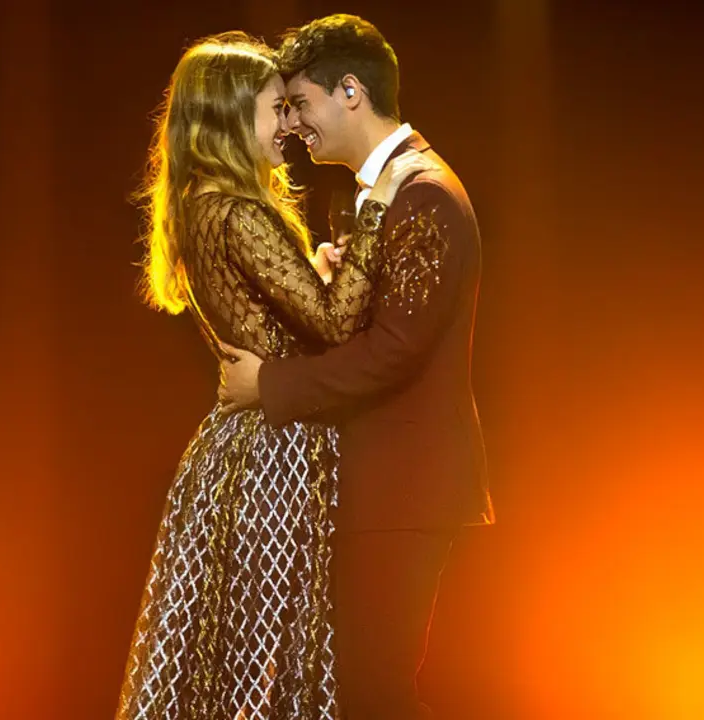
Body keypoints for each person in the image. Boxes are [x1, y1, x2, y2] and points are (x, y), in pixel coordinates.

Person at [115, 31, 429, 720]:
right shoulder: (240, 211)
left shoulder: (203, 204)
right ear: (231, 117)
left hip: (242, 452)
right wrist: (376, 209)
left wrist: (317, 274)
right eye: (275, 108)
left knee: (234, 661)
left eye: (292, 107)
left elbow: (293, 317)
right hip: (274, 455)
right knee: (270, 659)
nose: (289, 124)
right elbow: (340, 325)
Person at [217, 14, 496, 720]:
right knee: (362, 691)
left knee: (376, 692)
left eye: (300, 104)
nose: (294, 126)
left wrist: (267, 384)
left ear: (350, 92)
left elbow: (397, 351)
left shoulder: (422, 192)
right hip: (387, 483)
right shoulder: (391, 190)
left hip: (405, 485)